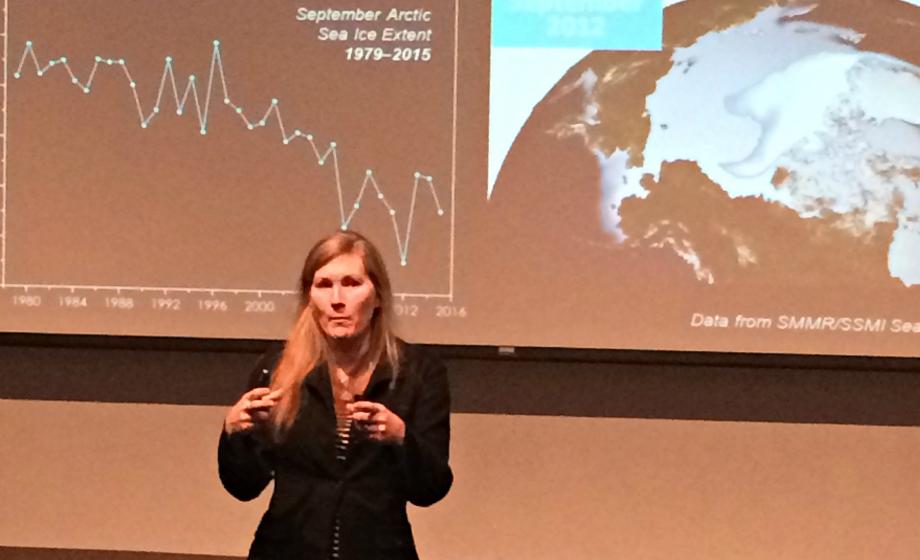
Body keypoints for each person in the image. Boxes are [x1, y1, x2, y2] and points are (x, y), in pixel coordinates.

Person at [218, 230, 452, 560]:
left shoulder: (417, 372)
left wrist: (402, 438)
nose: (337, 299)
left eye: (352, 284)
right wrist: (233, 432)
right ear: (309, 297)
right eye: (324, 285)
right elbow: (243, 486)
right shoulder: (277, 368)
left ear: (378, 295)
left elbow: (432, 488)